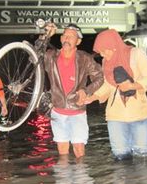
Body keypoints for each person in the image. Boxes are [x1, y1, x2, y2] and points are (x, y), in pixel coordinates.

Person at [84, 29, 147, 160]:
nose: (103, 55)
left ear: (114, 46)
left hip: (140, 115)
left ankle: (143, 181)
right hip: (116, 117)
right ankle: (123, 181)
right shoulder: (106, 62)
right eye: (100, 52)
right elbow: (108, 84)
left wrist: (132, 86)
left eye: (105, 50)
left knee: (143, 156)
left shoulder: (136, 54)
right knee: (120, 156)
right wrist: (94, 96)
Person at [40, 23, 104, 159]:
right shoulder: (51, 56)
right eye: (64, 35)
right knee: (62, 152)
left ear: (78, 41)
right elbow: (33, 56)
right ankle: (64, 180)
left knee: (79, 150)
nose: (66, 38)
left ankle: (81, 179)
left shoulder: (85, 58)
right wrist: (45, 36)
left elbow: (99, 76)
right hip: (57, 111)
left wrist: (87, 91)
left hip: (77, 111)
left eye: (71, 36)